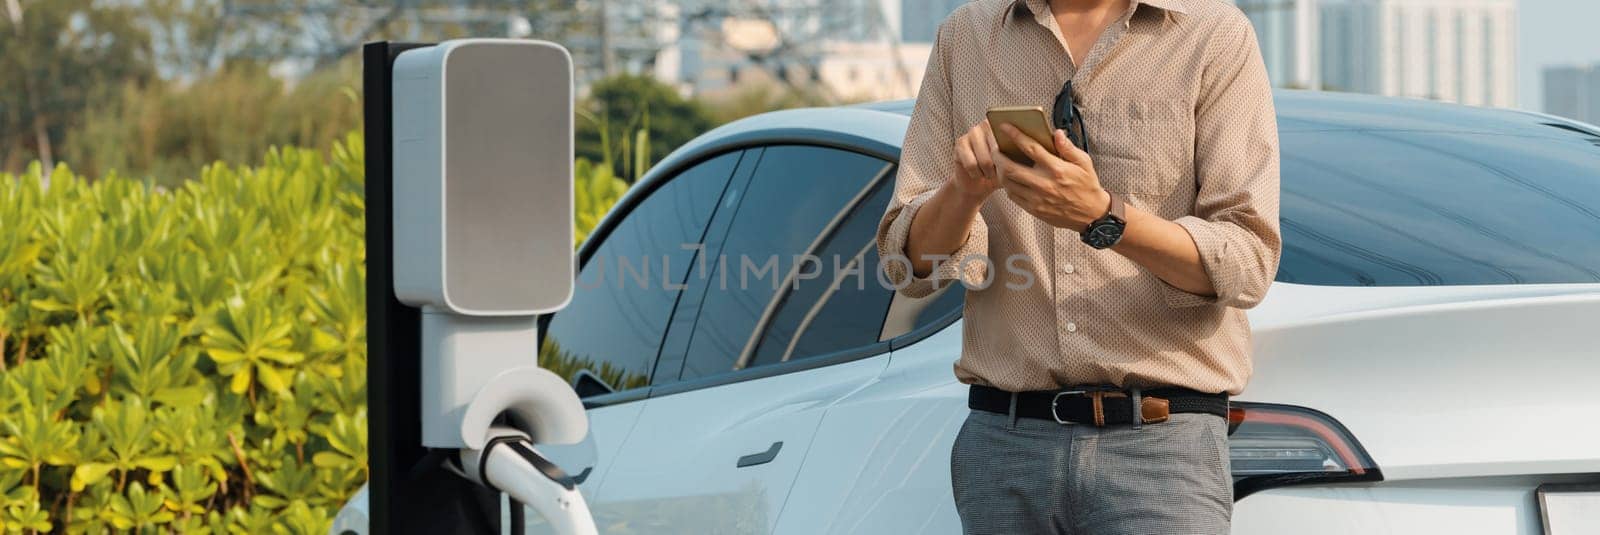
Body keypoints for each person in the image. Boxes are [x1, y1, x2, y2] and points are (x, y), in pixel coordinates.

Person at [874, 0, 1280, 533]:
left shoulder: (1213, 34)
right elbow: (906, 267)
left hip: (1160, 450)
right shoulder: (966, 36)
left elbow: (1248, 260)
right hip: (1004, 446)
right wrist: (964, 191)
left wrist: (1102, 217)